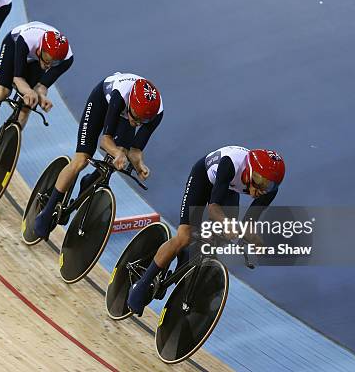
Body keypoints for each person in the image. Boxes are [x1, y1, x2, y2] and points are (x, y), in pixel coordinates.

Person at [127, 146, 286, 316]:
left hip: (228, 188)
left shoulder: (269, 192)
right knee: (185, 236)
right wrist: (226, 223)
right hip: (203, 177)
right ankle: (142, 284)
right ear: (249, 169)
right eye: (260, 181)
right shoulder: (230, 163)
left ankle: (188, 261)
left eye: (269, 185)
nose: (263, 189)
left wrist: (257, 242)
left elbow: (249, 224)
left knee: (219, 240)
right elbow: (213, 208)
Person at [28, 72, 164, 242]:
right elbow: (105, 141)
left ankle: (90, 181)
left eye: (142, 122)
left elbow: (135, 151)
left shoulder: (155, 114)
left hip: (124, 114)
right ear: (130, 104)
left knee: (118, 159)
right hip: (101, 102)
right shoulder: (119, 96)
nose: (138, 124)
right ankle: (46, 213)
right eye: (136, 118)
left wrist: (139, 166)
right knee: (81, 160)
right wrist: (116, 152)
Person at [0, 21, 73, 144]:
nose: (49, 65)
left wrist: (41, 96)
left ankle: (4, 149)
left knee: (27, 107)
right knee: (2, 92)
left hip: (36, 61)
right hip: (13, 46)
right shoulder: (27, 39)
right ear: (41, 48)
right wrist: (29, 91)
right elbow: (18, 79)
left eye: (55, 63)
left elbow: (41, 86)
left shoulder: (67, 59)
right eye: (47, 59)